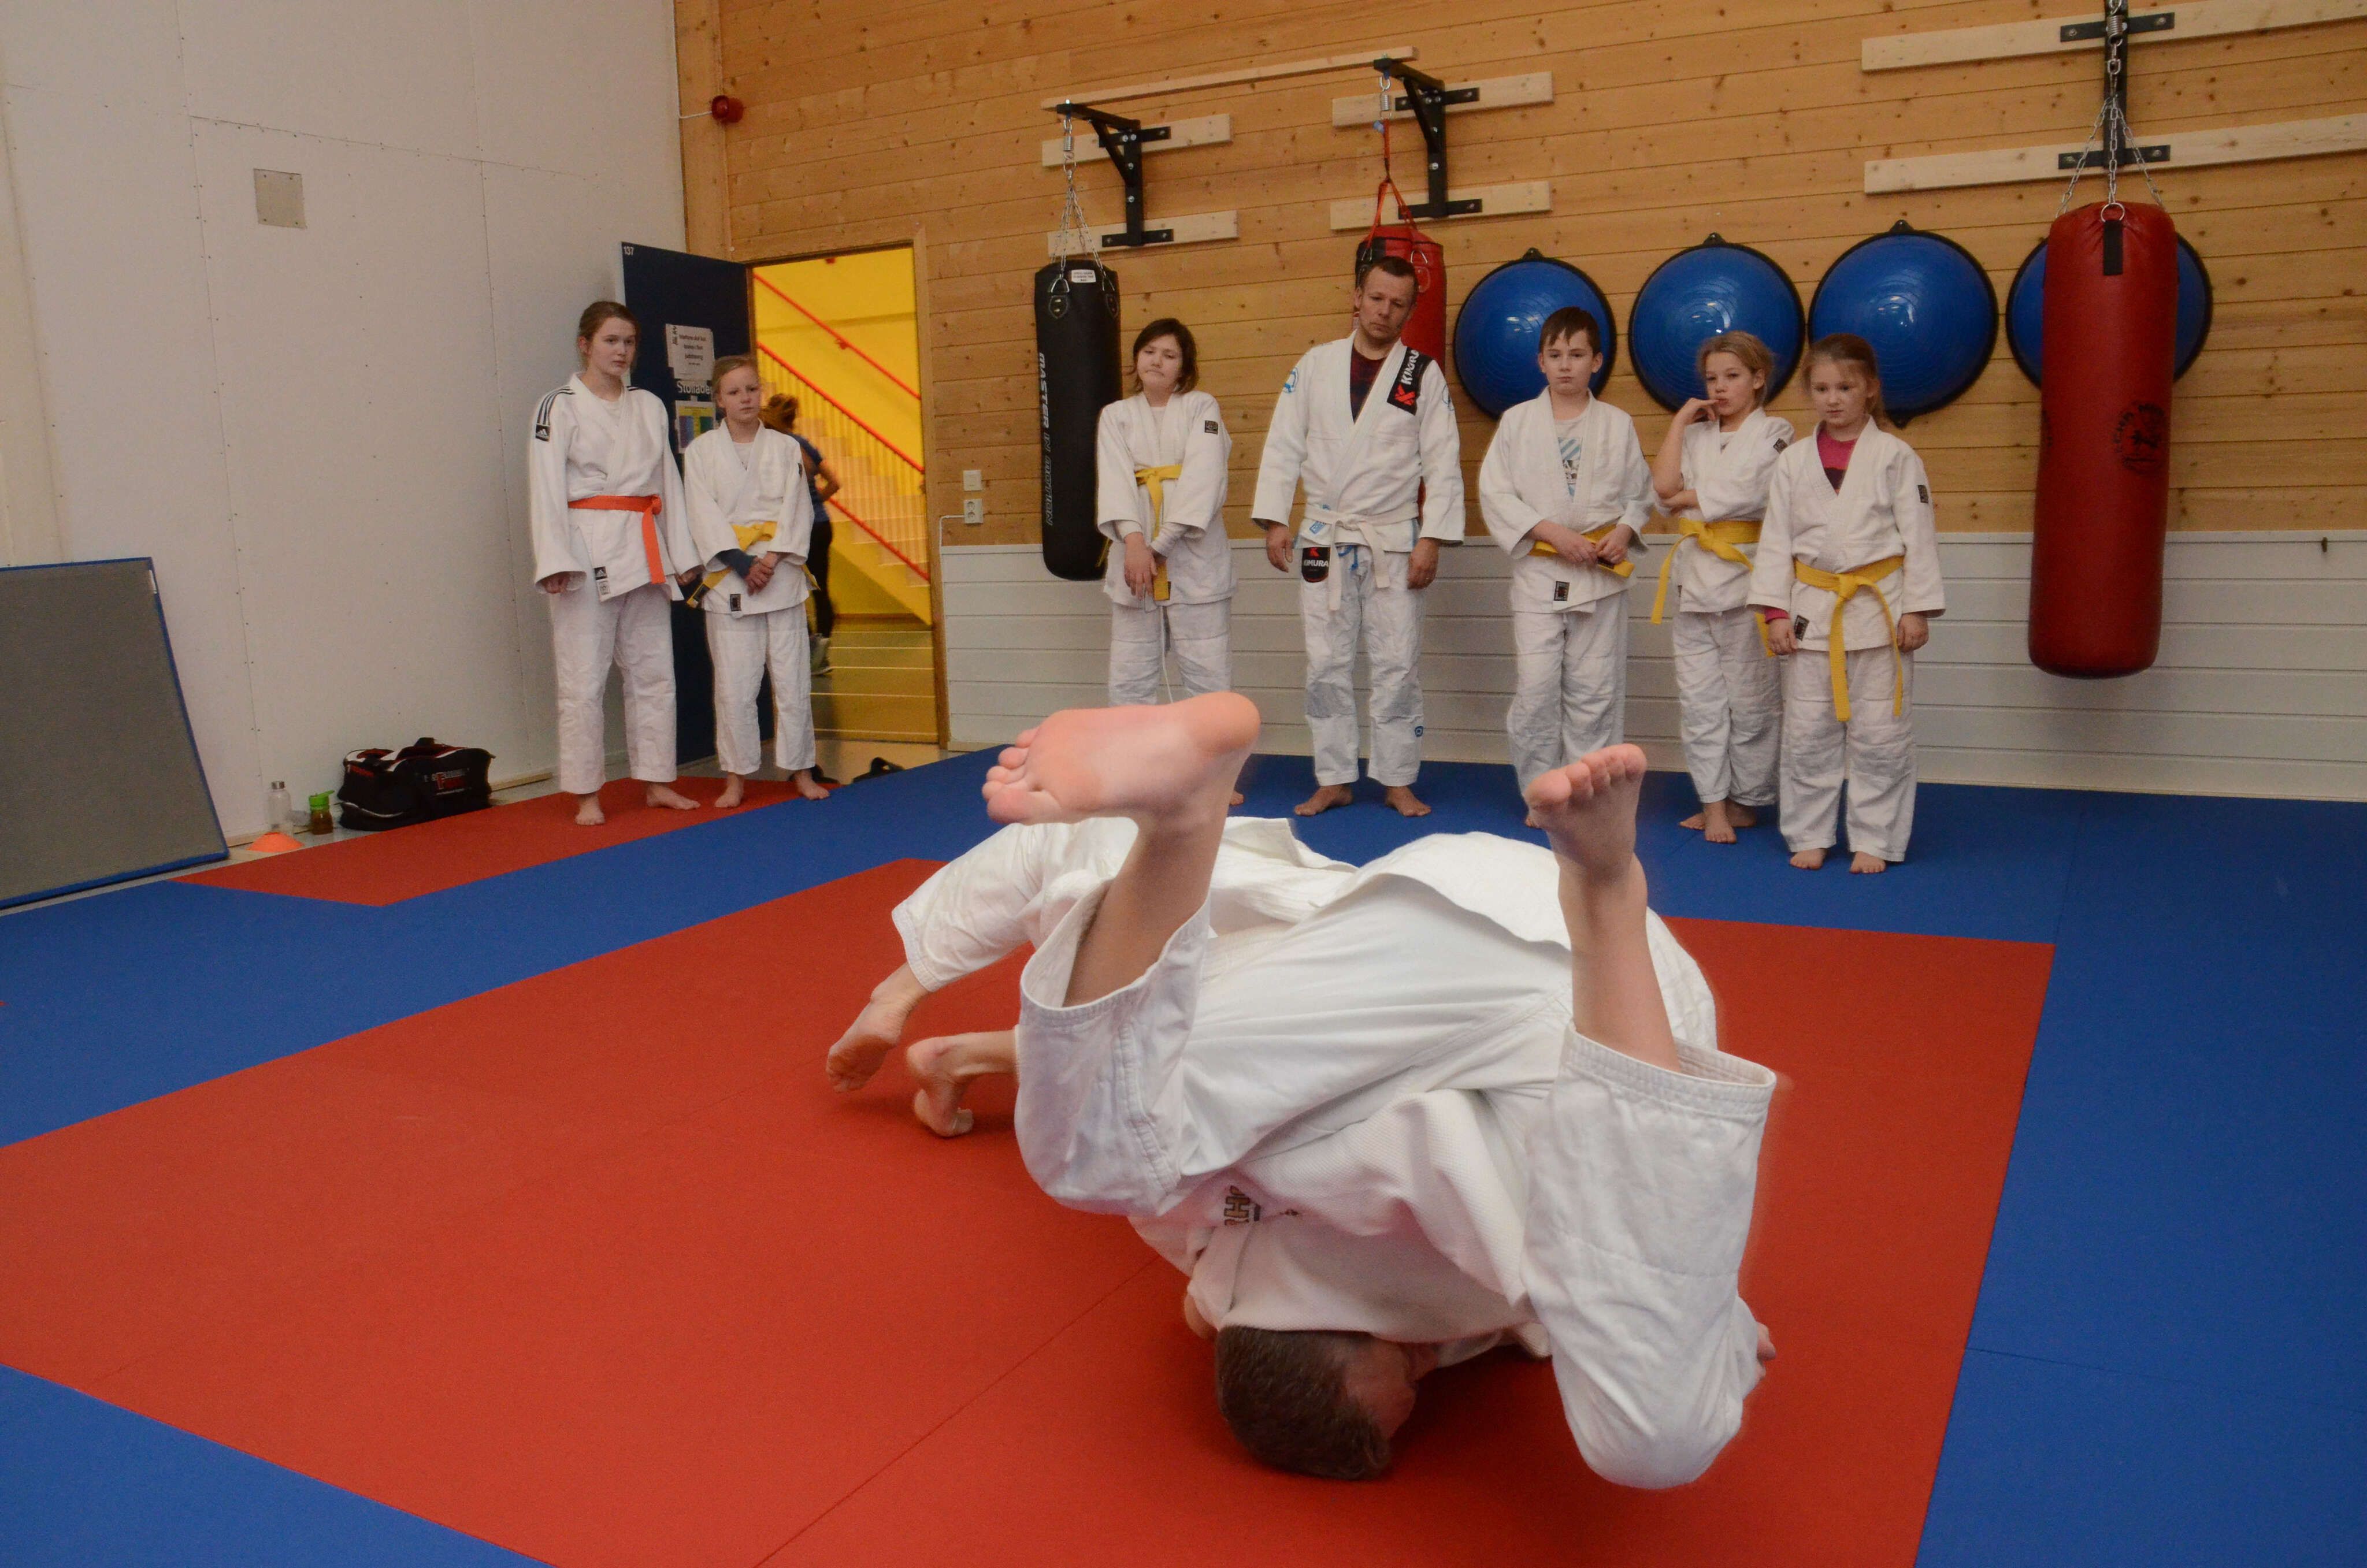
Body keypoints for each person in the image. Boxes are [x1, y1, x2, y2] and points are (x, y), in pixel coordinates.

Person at [826, 694, 1778, 1484]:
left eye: (1404, 1385)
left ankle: (1187, 815)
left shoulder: (1219, 1229)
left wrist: (1702, 1324)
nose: (1426, 1368)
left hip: (1494, 973)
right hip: (1503, 957)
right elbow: (1068, 867)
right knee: (1097, 1154)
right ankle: (1188, 821)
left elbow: (1641, 1234)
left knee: (1656, 1437)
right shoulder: (1190, 1221)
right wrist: (904, 988)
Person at [1252, 257, 1465, 820]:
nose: (1384, 311)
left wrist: (1432, 538)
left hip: (1394, 537)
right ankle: (1334, 777)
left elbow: (1443, 461)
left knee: (1398, 663)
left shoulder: (1421, 374)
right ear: (1356, 297)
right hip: (1324, 533)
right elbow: (1283, 443)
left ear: (1410, 311)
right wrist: (1276, 518)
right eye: (1376, 298)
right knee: (1325, 662)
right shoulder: (1315, 365)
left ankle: (1398, 779)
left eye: (1397, 304)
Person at [1749, 333, 1945, 872]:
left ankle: (1875, 838)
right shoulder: (1793, 461)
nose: (1832, 399)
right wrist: (1775, 612)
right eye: (1821, 389)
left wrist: (1917, 608)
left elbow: (1919, 536)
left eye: (1845, 388)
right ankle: (1810, 832)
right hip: (1812, 608)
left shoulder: (1897, 457)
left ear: (1870, 389)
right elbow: (1775, 539)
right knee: (1807, 732)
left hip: (1880, 609)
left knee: (1881, 733)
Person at [527, 300, 703, 827]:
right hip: (584, 547)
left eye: (628, 342)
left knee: (654, 672)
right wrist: (554, 559)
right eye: (610, 341)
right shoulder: (558, 406)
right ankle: (586, 793)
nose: (621, 351)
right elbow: (545, 485)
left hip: (644, 543)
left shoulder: (648, 405)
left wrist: (682, 553)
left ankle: (657, 781)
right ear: (585, 345)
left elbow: (667, 478)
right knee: (583, 678)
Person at [1476, 307, 1653, 815]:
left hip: (1598, 575)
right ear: (1541, 362)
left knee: (1594, 692)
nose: (1565, 365)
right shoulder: (1517, 422)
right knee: (1536, 691)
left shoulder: (1617, 424)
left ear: (1596, 361)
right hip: (1542, 571)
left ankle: (1585, 796)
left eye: (1577, 355)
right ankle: (1543, 794)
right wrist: (1553, 533)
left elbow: (1640, 495)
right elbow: (1496, 493)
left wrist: (1624, 531)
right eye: (1555, 355)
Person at [1648, 332, 1794, 845]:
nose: (1720, 387)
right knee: (1700, 705)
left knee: (1752, 704)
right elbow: (1661, 489)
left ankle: (1745, 802)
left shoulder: (1777, 432)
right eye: (1712, 379)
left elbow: (1749, 491)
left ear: (1758, 379)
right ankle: (1712, 804)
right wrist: (1679, 422)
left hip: (1748, 583)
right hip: (1694, 584)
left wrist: (1684, 497)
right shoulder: (1695, 437)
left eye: (1732, 376)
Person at [684, 356, 829, 807]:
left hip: (780, 572)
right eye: (734, 392)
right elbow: (701, 513)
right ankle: (736, 778)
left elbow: (798, 508)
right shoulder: (701, 451)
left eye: (752, 389)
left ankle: (801, 771)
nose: (745, 398)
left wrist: (771, 557)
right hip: (732, 577)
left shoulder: (785, 448)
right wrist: (741, 562)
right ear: (718, 400)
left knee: (793, 682)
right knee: (734, 687)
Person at [1095, 319, 1235, 707]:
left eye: (1169, 355)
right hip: (1134, 556)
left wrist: (1161, 546)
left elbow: (1205, 478)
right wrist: (1136, 545)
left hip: (1194, 556)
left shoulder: (1201, 406)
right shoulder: (1116, 415)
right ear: (1136, 358)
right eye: (1149, 352)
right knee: (1130, 678)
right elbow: (1115, 481)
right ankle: (1135, 749)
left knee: (1208, 676)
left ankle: (1210, 748)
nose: (1157, 361)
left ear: (1184, 368)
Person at [759, 393, 842, 675]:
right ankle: (822, 651)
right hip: (821, 524)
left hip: (798, 528)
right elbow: (835, 482)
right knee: (820, 590)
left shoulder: (774, 448)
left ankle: (809, 647)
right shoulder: (803, 444)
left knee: (793, 588)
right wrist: (815, 500)